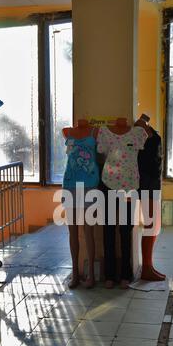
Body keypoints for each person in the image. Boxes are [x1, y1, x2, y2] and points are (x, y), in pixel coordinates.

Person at [97, 118, 148, 289]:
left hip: (130, 187)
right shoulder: (104, 132)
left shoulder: (138, 133)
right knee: (109, 229)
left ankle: (126, 274)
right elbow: (101, 151)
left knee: (126, 229)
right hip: (108, 184)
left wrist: (142, 122)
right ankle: (109, 275)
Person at [62, 119, 99, 289]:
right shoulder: (67, 132)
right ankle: (75, 273)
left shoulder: (95, 131)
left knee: (88, 231)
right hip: (70, 184)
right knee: (72, 232)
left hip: (90, 184)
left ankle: (91, 273)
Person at [135, 114, 166, 281]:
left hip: (153, 182)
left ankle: (149, 265)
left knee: (153, 226)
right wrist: (144, 123)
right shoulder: (139, 127)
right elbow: (139, 123)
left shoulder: (146, 129)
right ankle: (146, 268)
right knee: (150, 225)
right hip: (146, 182)